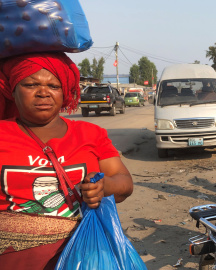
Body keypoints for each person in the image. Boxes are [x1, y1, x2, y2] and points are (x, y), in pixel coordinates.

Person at [0, 52, 134, 269]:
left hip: (85, 257)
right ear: (13, 90)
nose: (43, 93)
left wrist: (104, 185)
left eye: (53, 86)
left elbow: (124, 182)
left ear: (65, 92)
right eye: (31, 84)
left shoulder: (91, 134)